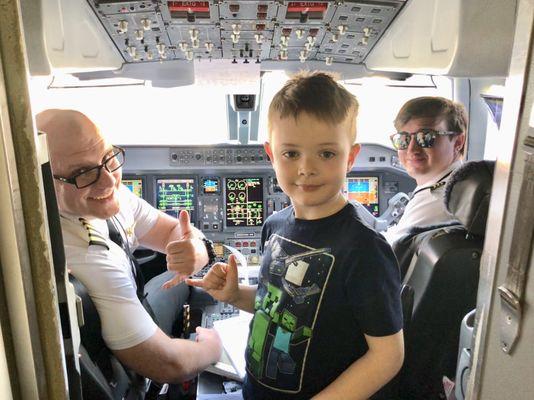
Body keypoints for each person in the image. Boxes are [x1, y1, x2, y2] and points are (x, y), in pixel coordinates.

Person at [188, 72, 404, 400]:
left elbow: (387, 355)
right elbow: (278, 302)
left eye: (326, 154)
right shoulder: (274, 226)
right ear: (271, 155)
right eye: (291, 154)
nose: (306, 168)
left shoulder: (364, 247)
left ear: (351, 157)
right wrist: (235, 295)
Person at [36, 109, 222, 384]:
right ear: (40, 181)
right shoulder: (83, 258)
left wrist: (197, 249)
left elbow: (170, 229)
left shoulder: (109, 195)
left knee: (181, 281)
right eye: (84, 172)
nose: (110, 181)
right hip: (128, 370)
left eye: (108, 158)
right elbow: (170, 364)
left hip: (130, 308)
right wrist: (214, 347)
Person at [382, 96, 468, 245]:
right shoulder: (458, 184)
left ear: (458, 142)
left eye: (426, 137)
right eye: (403, 139)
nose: (412, 149)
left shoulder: (440, 199)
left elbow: (390, 257)